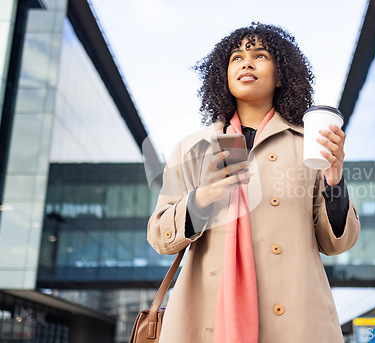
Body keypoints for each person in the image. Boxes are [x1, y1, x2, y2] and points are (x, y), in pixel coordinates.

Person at [147, 22, 360, 343]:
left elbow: (336, 244)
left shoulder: (310, 144)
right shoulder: (193, 147)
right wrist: (203, 197)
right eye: (236, 57)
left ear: (281, 74)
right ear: (224, 75)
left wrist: (334, 180)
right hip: (209, 319)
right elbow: (160, 237)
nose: (246, 62)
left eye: (260, 55)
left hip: (297, 321)